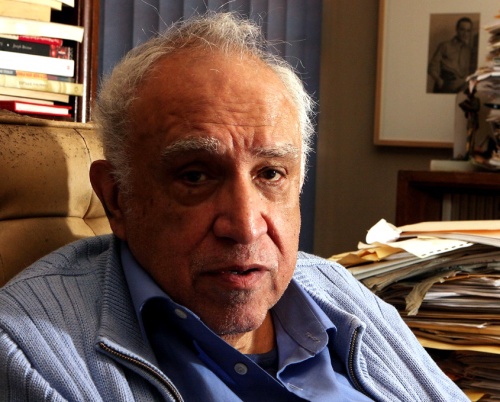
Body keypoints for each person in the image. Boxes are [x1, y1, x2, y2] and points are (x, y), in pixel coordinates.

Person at [0, 12, 469, 402]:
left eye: (271, 174)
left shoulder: (338, 290)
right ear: (117, 198)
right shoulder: (31, 350)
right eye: (195, 176)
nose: (245, 227)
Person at [428, 16, 476, 94]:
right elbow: (432, 67)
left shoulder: (469, 50)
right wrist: (439, 81)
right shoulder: (445, 46)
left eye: (468, 31)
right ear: (457, 29)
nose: (465, 34)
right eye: (462, 30)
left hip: (461, 90)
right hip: (444, 87)